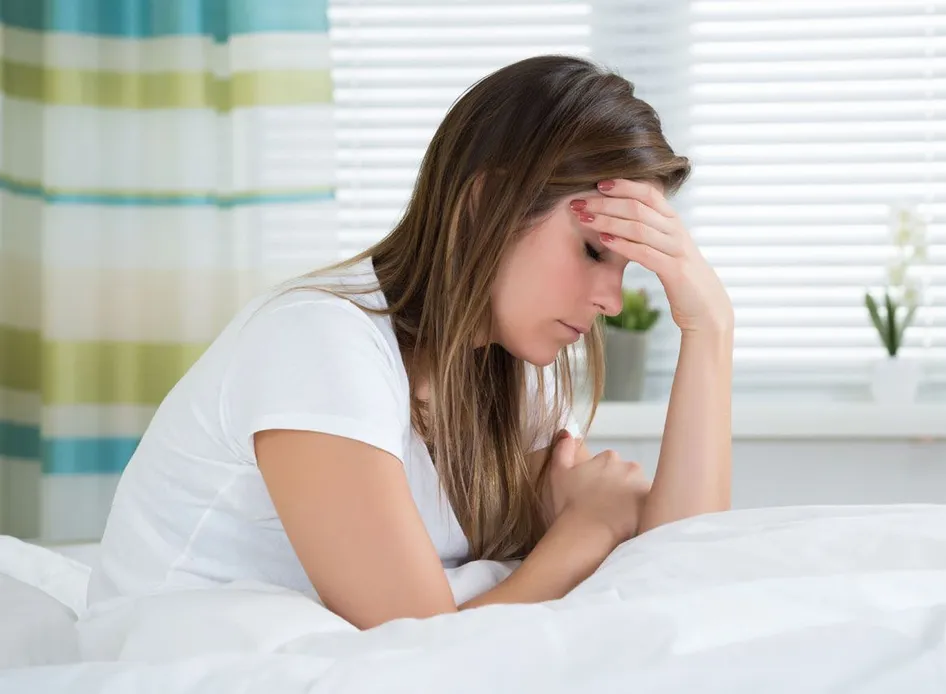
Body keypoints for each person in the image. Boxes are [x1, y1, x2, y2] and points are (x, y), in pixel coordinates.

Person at [86, 55, 734, 629]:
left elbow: (676, 564)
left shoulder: (509, 366)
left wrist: (709, 329)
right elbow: (419, 652)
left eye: (626, 267)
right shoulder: (316, 343)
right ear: (484, 207)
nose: (612, 301)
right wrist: (589, 529)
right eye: (594, 250)